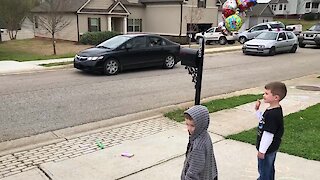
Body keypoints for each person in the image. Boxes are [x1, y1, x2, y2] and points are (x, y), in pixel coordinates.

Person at [255, 82, 287, 180]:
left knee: (264, 170)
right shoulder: (273, 109)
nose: (263, 95)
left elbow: (268, 134)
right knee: (269, 169)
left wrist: (262, 151)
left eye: (266, 93)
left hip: (267, 149)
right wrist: (257, 110)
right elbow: (263, 121)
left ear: (276, 97)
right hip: (270, 148)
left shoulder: (272, 114)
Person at [181, 105, 218, 180]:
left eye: (192, 125)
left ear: (201, 124)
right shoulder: (204, 134)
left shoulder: (198, 146)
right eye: (187, 124)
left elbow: (193, 173)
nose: (189, 129)